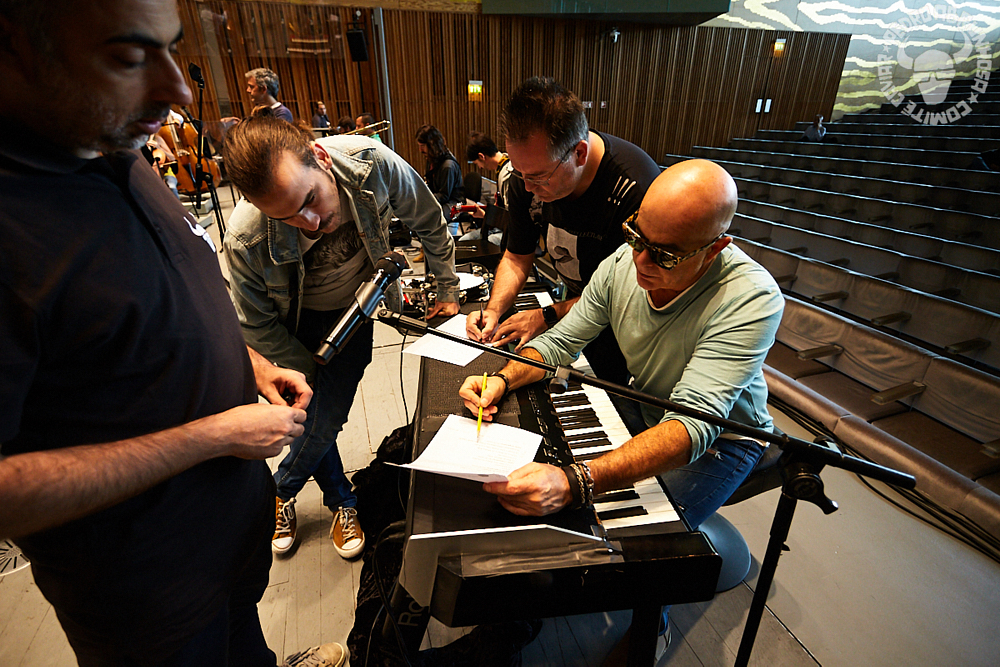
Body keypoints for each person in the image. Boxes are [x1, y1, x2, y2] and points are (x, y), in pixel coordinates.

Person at [0, 1, 345, 665]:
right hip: (147, 595)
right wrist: (209, 436)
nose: (180, 89)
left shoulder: (113, 144)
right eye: (130, 58)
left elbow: (156, 319)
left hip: (228, 544)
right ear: (13, 47)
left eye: (173, 49)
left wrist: (248, 364)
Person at [459, 159, 783, 652]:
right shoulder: (623, 261)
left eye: (666, 256)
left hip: (725, 440)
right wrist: (500, 378)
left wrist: (577, 481)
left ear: (717, 247)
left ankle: (652, 618)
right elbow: (561, 342)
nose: (641, 264)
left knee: (639, 541)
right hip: (650, 403)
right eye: (637, 237)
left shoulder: (751, 297)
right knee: (560, 469)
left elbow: (692, 426)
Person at [222, 116, 461, 559]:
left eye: (310, 199)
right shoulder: (244, 237)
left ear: (321, 158)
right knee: (319, 414)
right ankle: (337, 500)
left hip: (355, 308)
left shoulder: (373, 164)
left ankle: (280, 492)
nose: (310, 223)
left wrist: (447, 288)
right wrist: (303, 371)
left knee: (321, 417)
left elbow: (429, 219)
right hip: (286, 328)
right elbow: (255, 324)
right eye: (287, 216)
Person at [464, 77, 660, 403]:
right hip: (576, 308)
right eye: (519, 172)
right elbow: (517, 255)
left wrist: (546, 316)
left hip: (625, 326)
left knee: (611, 406)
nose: (526, 187)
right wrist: (494, 310)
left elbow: (630, 294)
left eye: (538, 177)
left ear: (579, 153)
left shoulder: (636, 189)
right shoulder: (526, 177)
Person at [460, 131, 512, 246]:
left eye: (477, 163)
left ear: (481, 156)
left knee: (485, 243)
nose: (480, 167)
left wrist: (485, 216)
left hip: (514, 234)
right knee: (464, 241)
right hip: (502, 228)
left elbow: (511, 220)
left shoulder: (507, 175)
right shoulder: (504, 165)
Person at [416, 124, 464, 224]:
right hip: (442, 199)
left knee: (433, 219)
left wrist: (424, 199)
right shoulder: (431, 158)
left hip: (453, 202)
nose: (420, 150)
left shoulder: (448, 166)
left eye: (422, 146)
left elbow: (444, 196)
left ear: (432, 145)